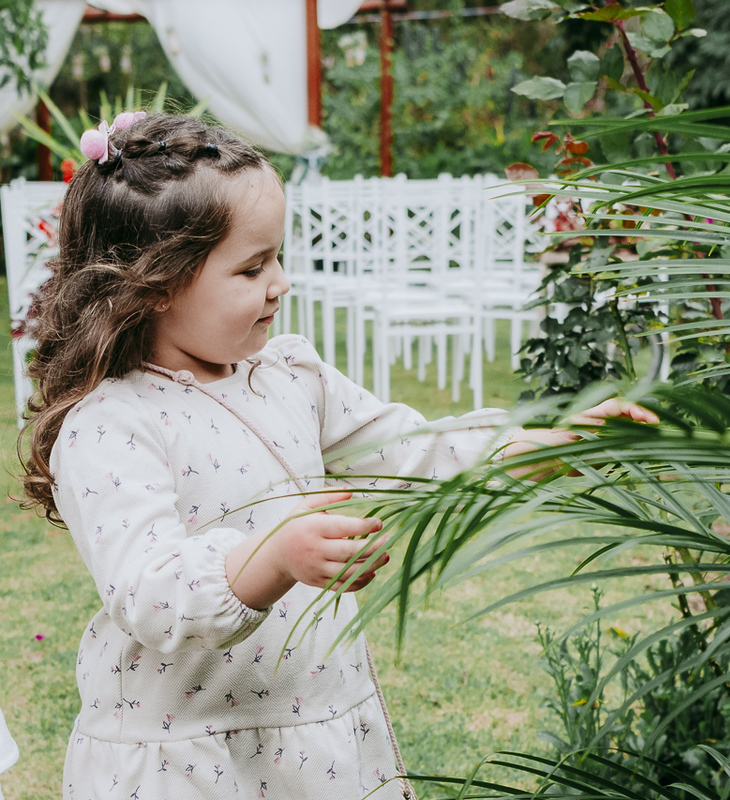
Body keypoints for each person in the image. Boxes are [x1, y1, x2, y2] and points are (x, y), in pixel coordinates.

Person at [19, 113, 656, 799]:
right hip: (190, 763)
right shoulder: (113, 425)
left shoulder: (290, 375)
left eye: (279, 257)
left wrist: (544, 441)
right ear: (157, 284)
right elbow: (150, 591)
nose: (282, 283)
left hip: (313, 744)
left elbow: (412, 450)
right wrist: (275, 557)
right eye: (253, 266)